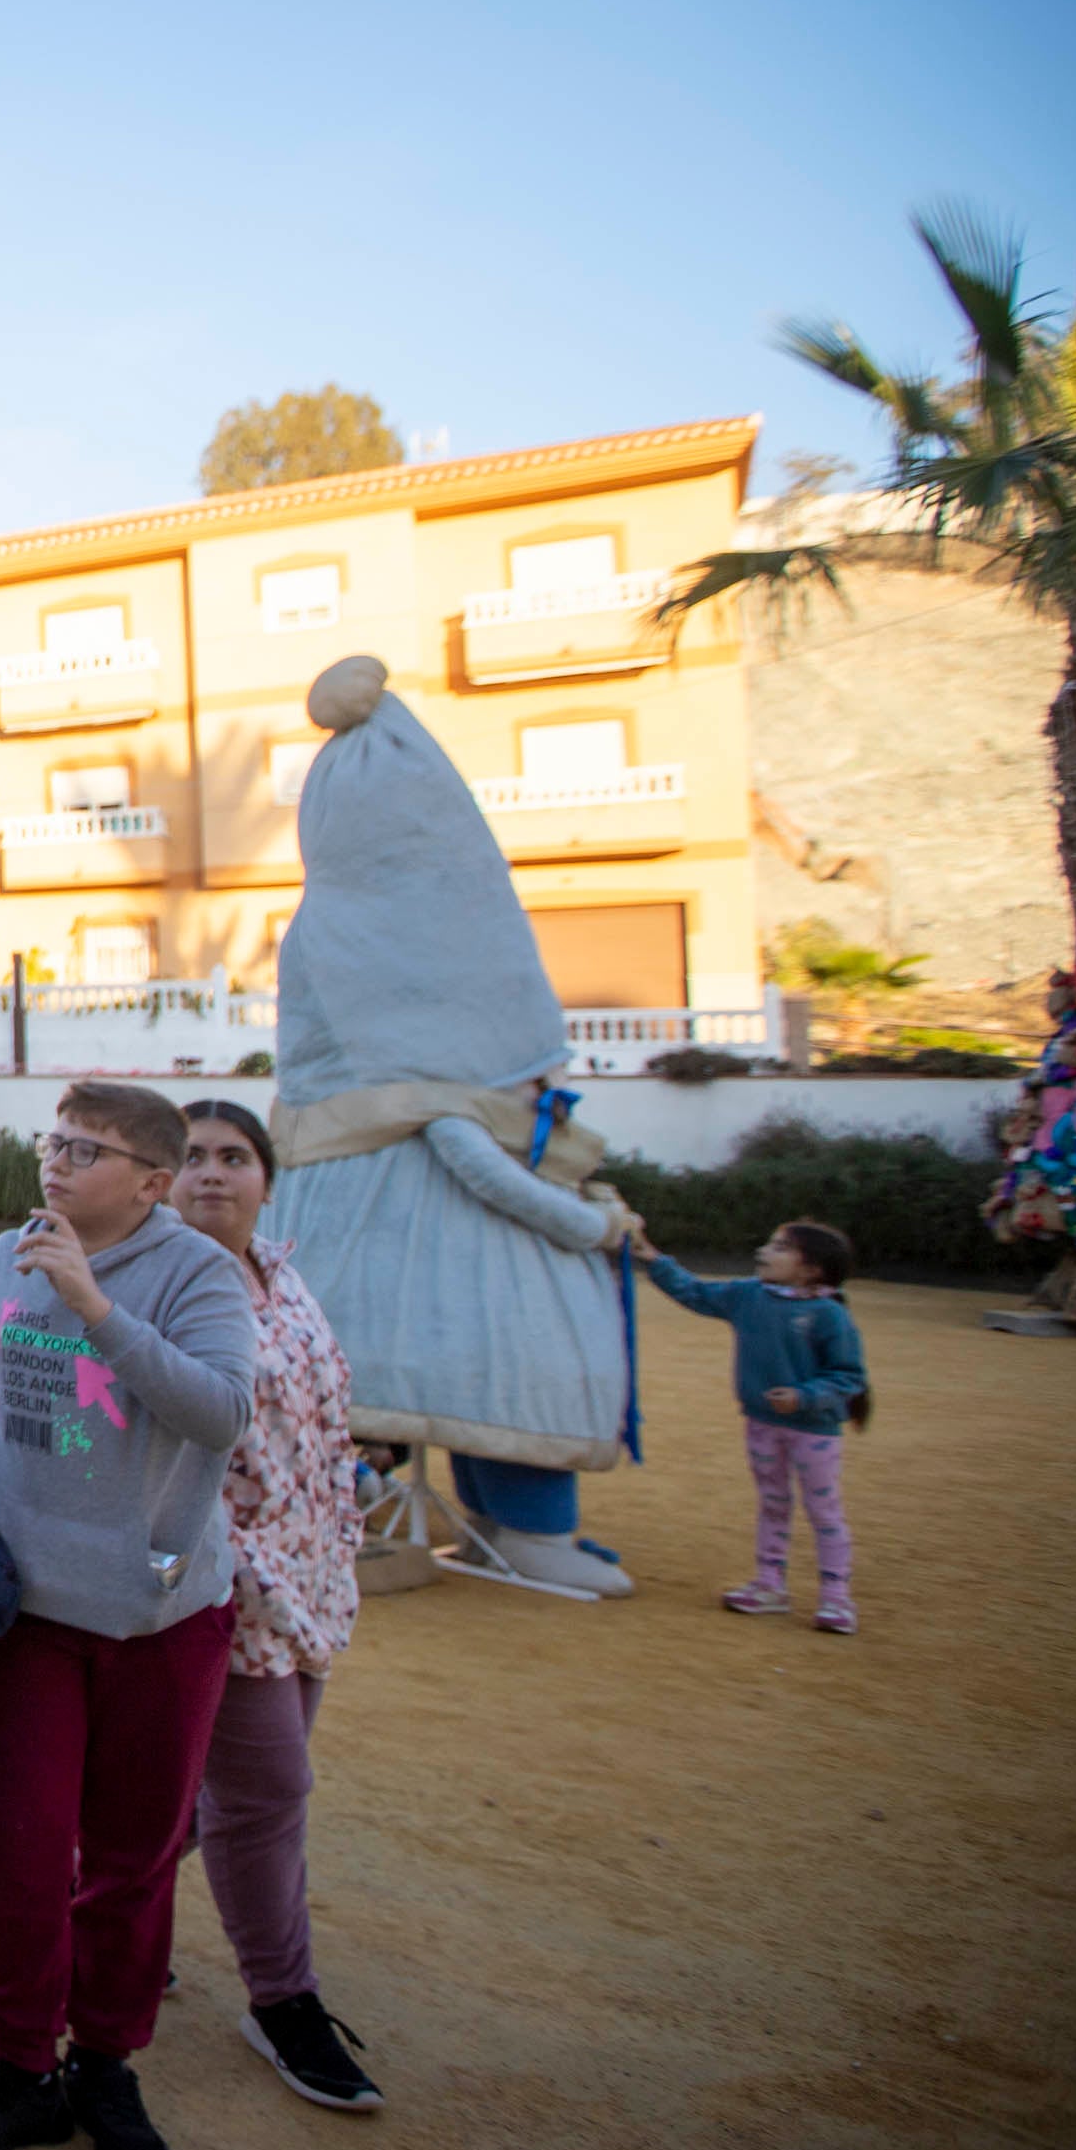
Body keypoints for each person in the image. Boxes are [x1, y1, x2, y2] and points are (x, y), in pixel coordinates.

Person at [0, 1081, 257, 2150]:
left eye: (84, 1150)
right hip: (23, 1616)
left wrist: (97, 1308)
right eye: (50, 1142)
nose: (54, 1166)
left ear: (152, 1183)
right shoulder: (0, 1257)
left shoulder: (197, 1272)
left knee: (131, 1858)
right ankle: (20, 2063)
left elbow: (221, 1414)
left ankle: (104, 2065)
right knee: (18, 1852)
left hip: (160, 1616)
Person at [256, 656, 648, 1599]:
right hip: (431, 1216)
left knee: (360, 1378)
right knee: (493, 1367)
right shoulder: (400, 934)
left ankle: (502, 1521)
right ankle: (484, 1521)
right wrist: (592, 1226)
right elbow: (461, 1142)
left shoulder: (326, 928)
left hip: (332, 1216)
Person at [170, 1100, 383, 2112]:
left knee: (200, 1796)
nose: (211, 1173)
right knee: (266, 1795)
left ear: (264, 1175)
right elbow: (102, 1434)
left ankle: (97, 1911)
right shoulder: (155, 1283)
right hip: (219, 1583)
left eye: (233, 1156)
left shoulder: (282, 1279)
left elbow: (325, 1419)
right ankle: (281, 1999)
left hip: (310, 1578)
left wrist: (340, 1534)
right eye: (191, 1158)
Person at [641, 1219, 869, 1634]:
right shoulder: (749, 1295)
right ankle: (769, 1586)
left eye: (781, 1247)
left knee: (824, 1510)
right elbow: (694, 1292)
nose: (765, 1251)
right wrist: (652, 1258)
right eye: (770, 1243)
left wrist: (805, 1396)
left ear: (812, 1269)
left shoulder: (828, 1313)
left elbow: (848, 1376)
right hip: (762, 1425)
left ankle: (837, 1598)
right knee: (773, 1503)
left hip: (813, 1432)